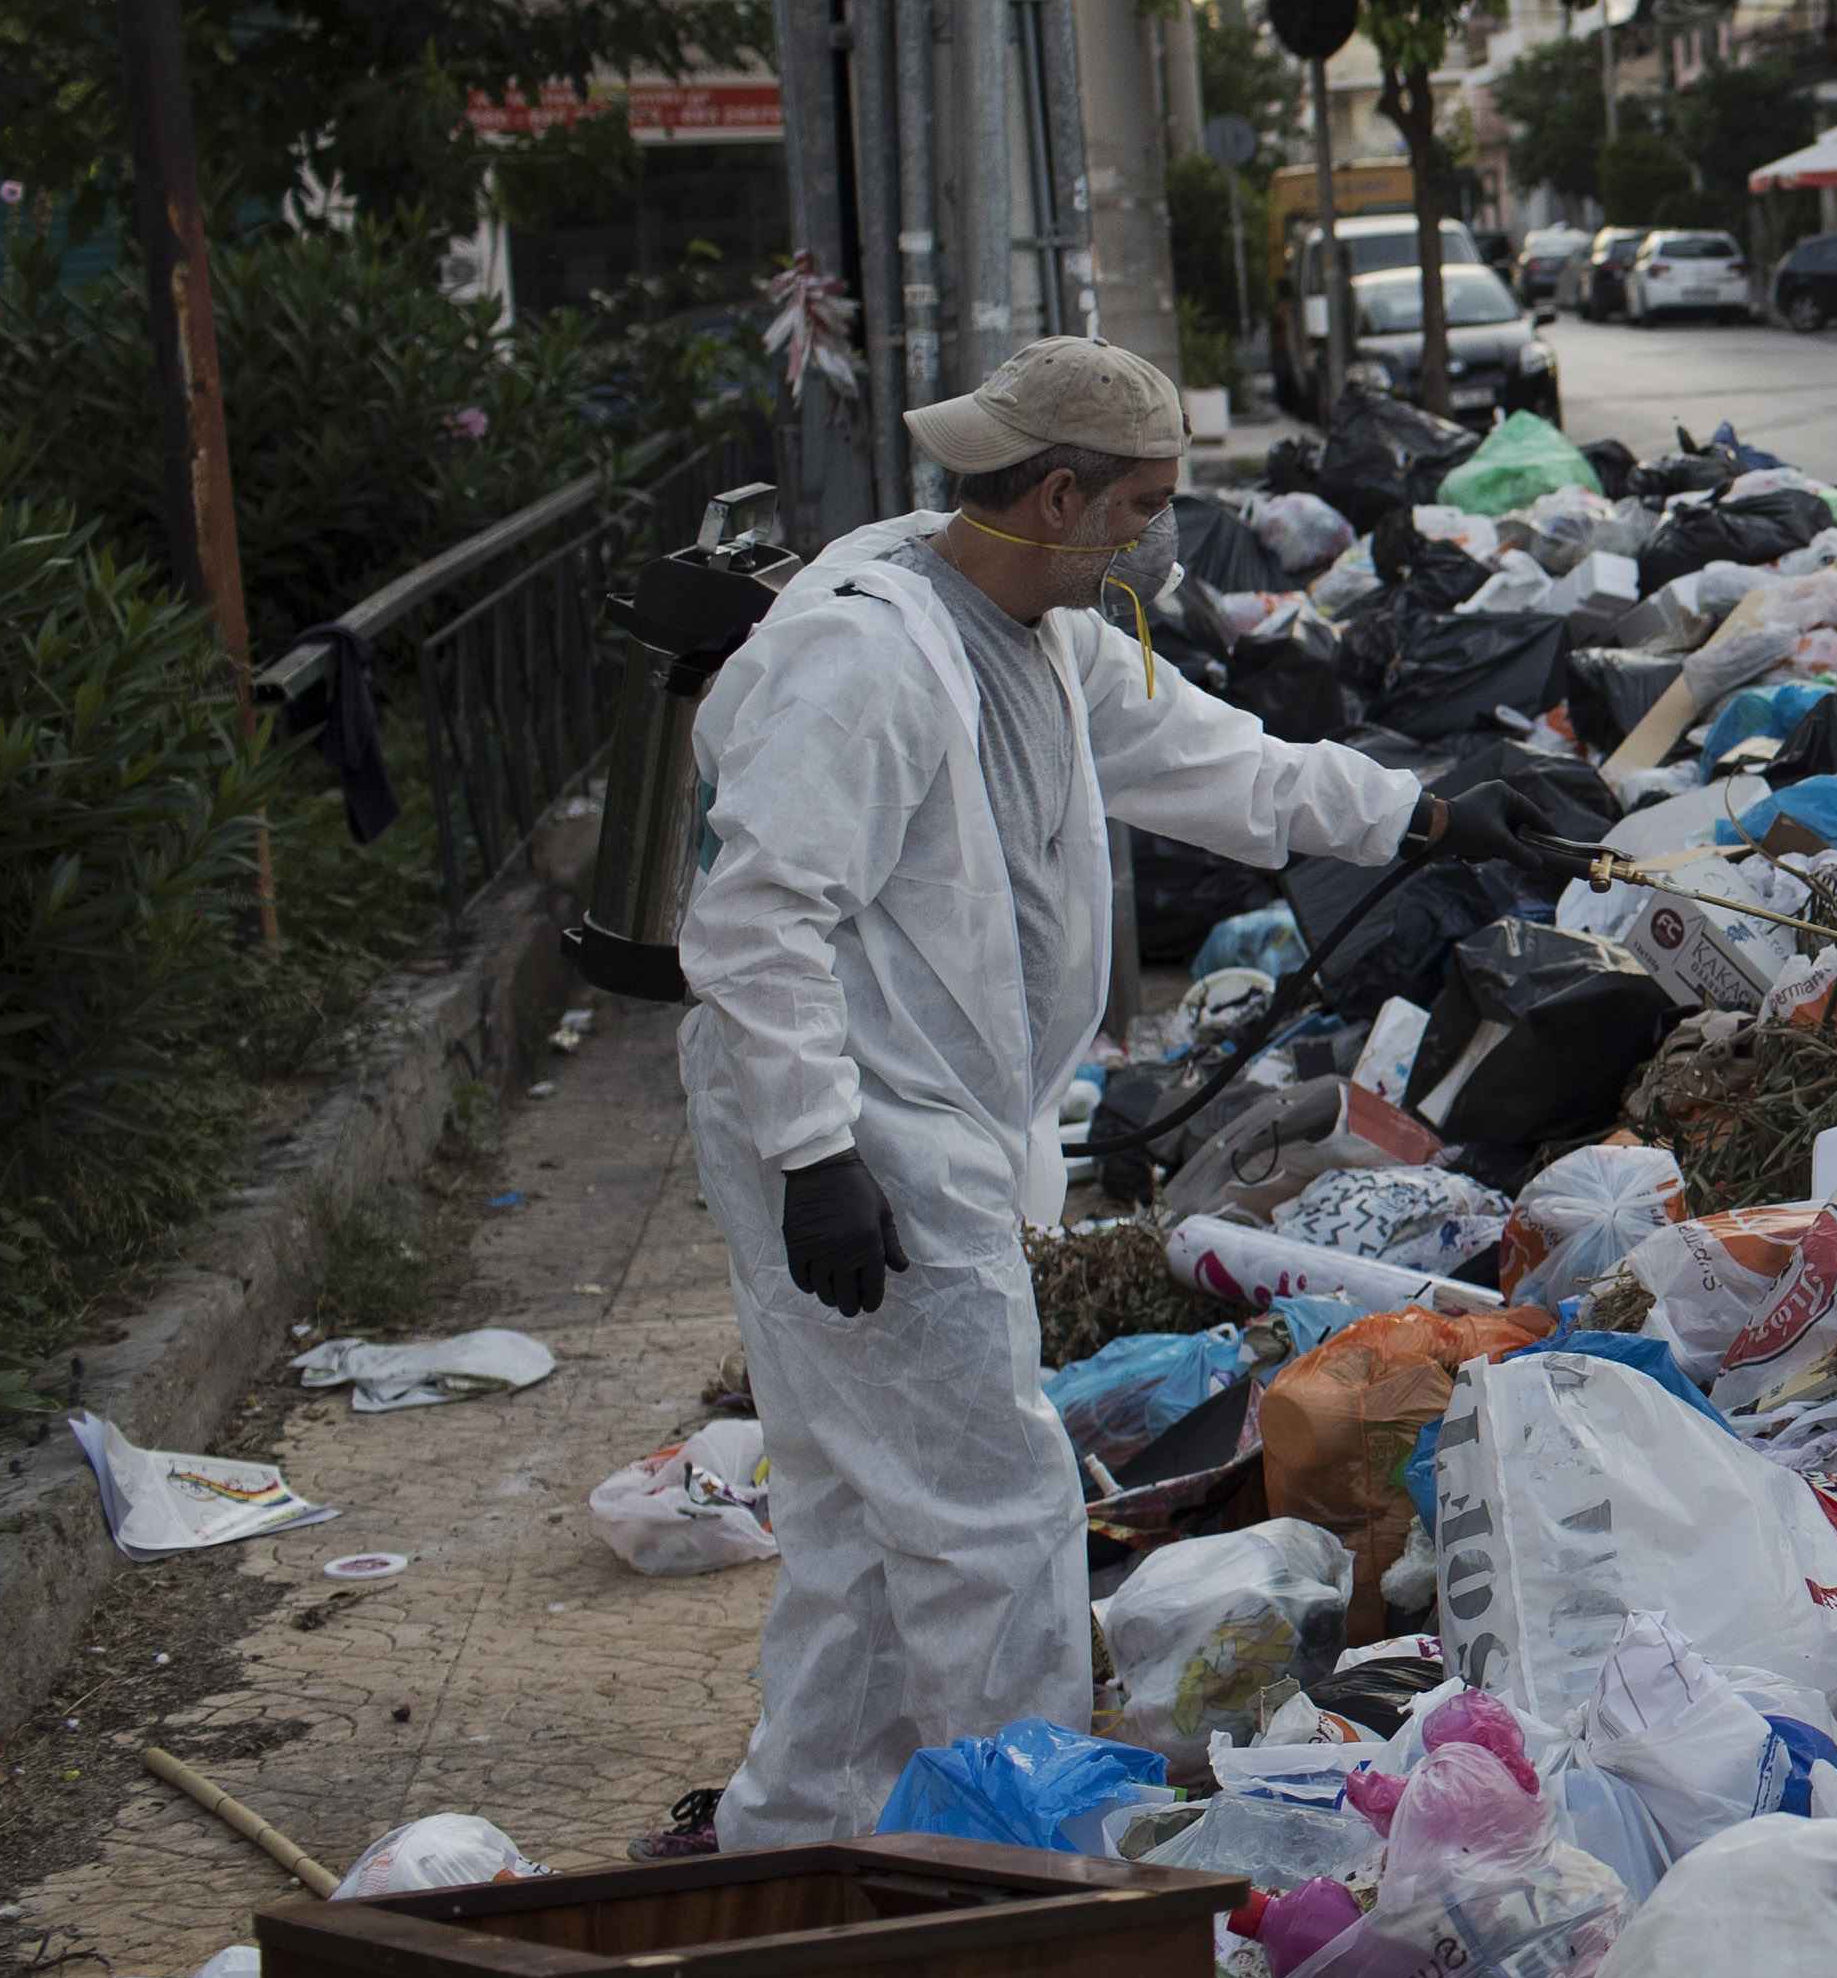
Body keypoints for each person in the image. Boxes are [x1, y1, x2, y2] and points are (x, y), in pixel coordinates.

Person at [667, 338, 1566, 1851]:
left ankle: (806, 1835)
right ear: (1061, 492)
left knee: (858, 1518)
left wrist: (1417, 810)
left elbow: (1210, 760)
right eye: (1139, 507)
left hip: (925, 1117)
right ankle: (1012, 1850)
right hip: (859, 1129)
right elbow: (761, 917)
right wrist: (815, 1149)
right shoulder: (867, 651)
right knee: (989, 1517)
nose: (1152, 539)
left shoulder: (1037, 635)